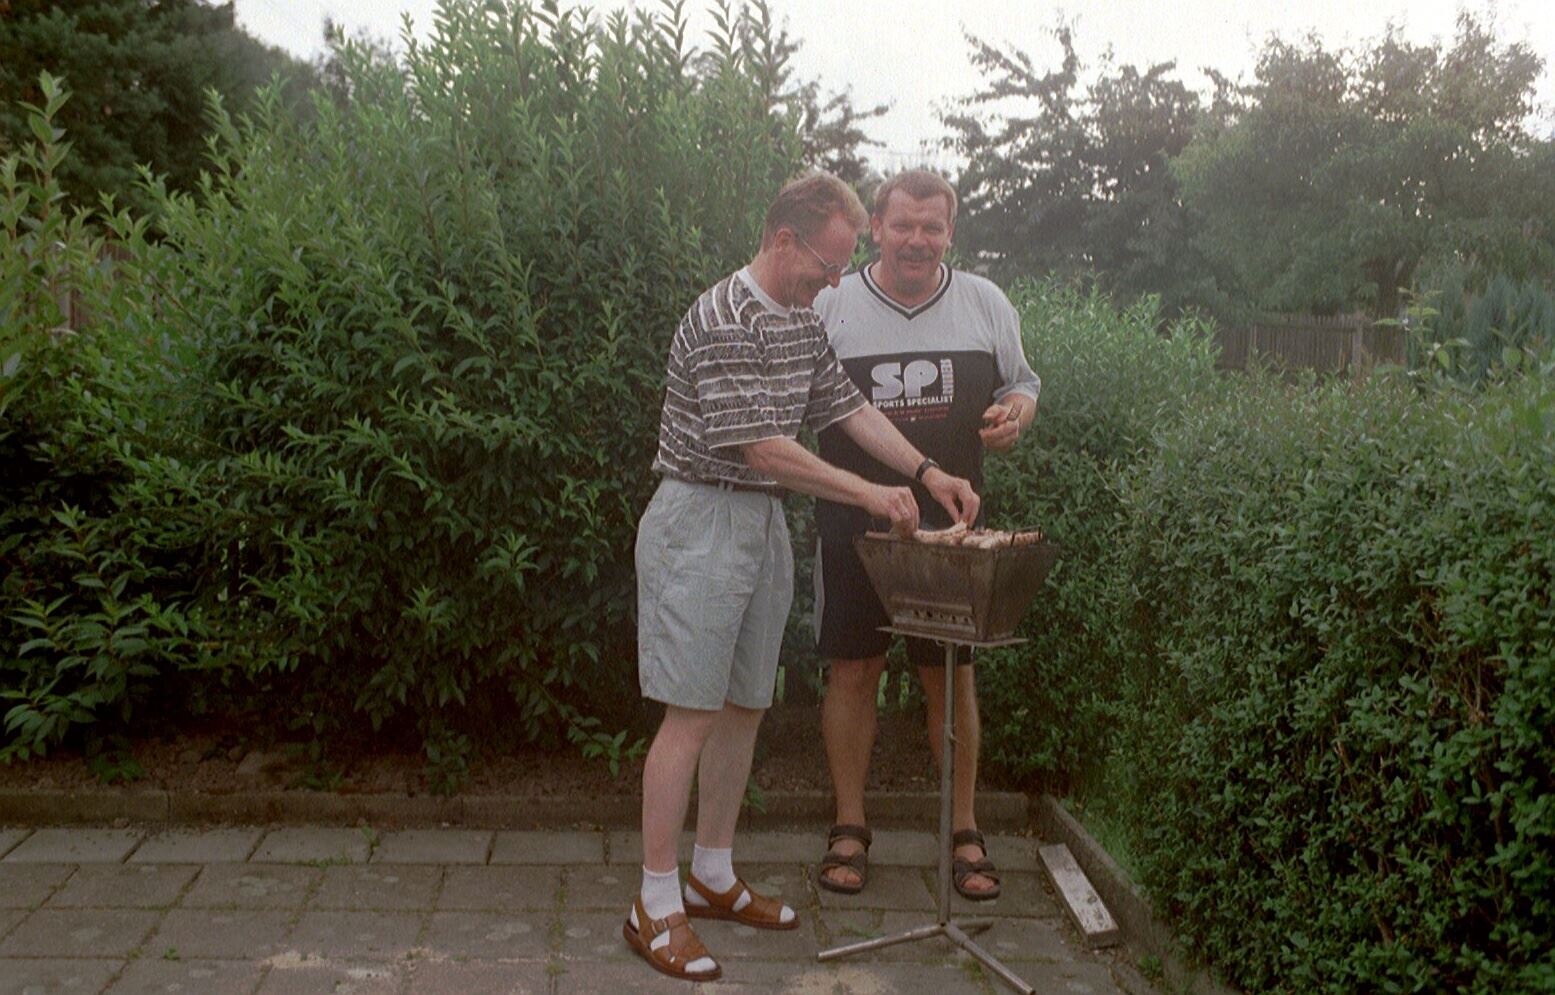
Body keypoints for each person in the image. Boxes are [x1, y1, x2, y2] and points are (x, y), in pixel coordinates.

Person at [626, 171, 980, 983]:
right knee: (689, 715)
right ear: (784, 240)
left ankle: (711, 874)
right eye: (827, 263)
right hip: (699, 519)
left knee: (743, 705)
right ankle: (654, 900)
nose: (834, 279)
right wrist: (866, 492)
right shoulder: (723, 316)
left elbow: (845, 407)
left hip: (760, 524)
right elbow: (761, 445)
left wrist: (926, 472)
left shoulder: (800, 317)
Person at [811, 169, 1040, 901]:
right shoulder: (831, 304)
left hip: (952, 530)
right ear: (876, 228)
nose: (916, 240)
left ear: (950, 232)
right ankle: (849, 825)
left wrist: (1013, 417)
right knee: (854, 670)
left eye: (931, 227)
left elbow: (1023, 385)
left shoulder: (985, 302)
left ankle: (964, 828)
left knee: (951, 674)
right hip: (853, 525)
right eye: (903, 225)